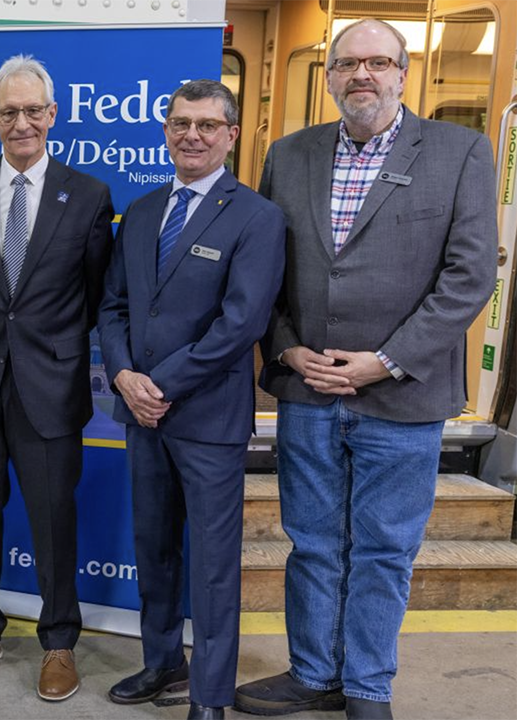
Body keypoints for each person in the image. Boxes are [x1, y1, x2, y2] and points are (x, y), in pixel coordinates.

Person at [234, 19, 497, 720]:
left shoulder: (462, 151)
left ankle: (367, 688)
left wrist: (384, 362)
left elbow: (469, 278)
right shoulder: (289, 155)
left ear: (402, 73)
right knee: (313, 543)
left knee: (384, 550)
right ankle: (314, 674)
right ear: (328, 77)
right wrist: (286, 349)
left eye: (378, 62)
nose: (363, 75)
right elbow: (265, 271)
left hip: (402, 396)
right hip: (307, 390)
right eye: (348, 63)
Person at [98, 80, 286, 720]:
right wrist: (124, 376)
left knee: (211, 565)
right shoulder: (144, 209)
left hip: (205, 420)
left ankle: (208, 695)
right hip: (141, 412)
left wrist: (163, 386)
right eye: (181, 124)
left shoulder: (257, 217)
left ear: (232, 135)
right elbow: (115, 306)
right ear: (166, 130)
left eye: (208, 125)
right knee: (152, 547)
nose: (193, 136)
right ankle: (161, 663)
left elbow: (242, 324)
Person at [0, 54, 115, 701]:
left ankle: (59, 640)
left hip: (49, 389)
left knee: (51, 520)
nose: (21, 123)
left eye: (32, 111)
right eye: (8, 112)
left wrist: (50, 348)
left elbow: (94, 295)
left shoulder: (89, 195)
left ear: (53, 116)